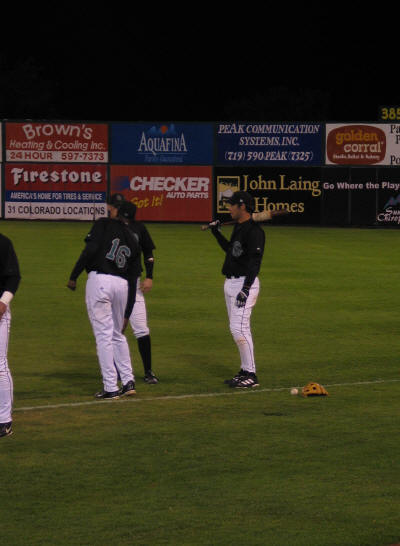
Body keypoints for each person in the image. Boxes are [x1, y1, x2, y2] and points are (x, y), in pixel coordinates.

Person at [67, 202, 141, 399]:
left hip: (100, 281)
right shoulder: (133, 238)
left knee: (104, 336)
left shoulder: (104, 225)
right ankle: (128, 381)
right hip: (122, 286)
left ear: (117, 212)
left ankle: (110, 387)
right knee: (117, 334)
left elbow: (89, 250)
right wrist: (128, 312)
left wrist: (74, 275)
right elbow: (134, 279)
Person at [209, 191, 265, 388]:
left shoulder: (255, 232)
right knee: (239, 328)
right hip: (231, 283)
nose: (229, 208)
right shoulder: (240, 228)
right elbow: (232, 252)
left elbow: (255, 263)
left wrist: (246, 288)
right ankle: (244, 370)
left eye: (232, 205)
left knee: (238, 328)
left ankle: (251, 374)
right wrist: (216, 233)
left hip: (244, 284)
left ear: (242, 206)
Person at [106, 194, 159, 384]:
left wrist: (150, 276)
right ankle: (116, 371)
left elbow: (149, 253)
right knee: (114, 330)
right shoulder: (107, 227)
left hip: (134, 286)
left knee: (141, 329)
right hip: (112, 286)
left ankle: (148, 371)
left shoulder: (139, 228)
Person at [0, 233, 21, 437]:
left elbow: (14, 276)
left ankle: (4, 420)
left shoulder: (3, 242)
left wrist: (4, 301)